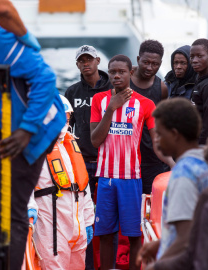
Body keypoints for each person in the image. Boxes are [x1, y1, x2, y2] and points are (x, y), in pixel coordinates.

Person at [0, 1, 66, 269]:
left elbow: (45, 78)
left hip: (32, 125)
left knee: (11, 215)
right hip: (0, 116)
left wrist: (26, 130)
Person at [90, 55, 174, 270]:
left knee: (134, 234)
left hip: (131, 179)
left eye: (121, 72)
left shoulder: (145, 104)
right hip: (106, 179)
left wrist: (175, 164)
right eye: (112, 72)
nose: (116, 76)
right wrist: (111, 108)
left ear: (131, 73)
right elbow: (95, 140)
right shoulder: (99, 100)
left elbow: (157, 143)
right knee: (106, 234)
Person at [136, 98, 208, 270]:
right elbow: (197, 228)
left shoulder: (182, 175)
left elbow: (185, 240)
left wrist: (158, 266)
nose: (155, 140)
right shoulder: (204, 162)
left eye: (159, 134)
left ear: (175, 134)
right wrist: (160, 244)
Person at [28, 95, 94, 270]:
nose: (63, 124)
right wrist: (29, 208)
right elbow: (22, 183)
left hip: (77, 226)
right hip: (50, 224)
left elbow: (83, 186)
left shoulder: (70, 143)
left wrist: (88, 220)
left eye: (66, 119)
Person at [65, 44, 113, 270]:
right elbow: (66, 130)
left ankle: (107, 263)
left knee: (105, 214)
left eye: (89, 59)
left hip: (107, 161)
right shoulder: (72, 92)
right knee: (82, 215)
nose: (86, 63)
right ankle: (85, 263)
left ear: (98, 61)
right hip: (81, 162)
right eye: (81, 60)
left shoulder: (113, 89)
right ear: (77, 64)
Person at [130, 39, 168, 194]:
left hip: (152, 158)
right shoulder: (123, 80)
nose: (149, 67)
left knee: (150, 203)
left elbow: (160, 123)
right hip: (128, 157)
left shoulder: (161, 88)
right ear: (138, 59)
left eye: (155, 64)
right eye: (145, 62)